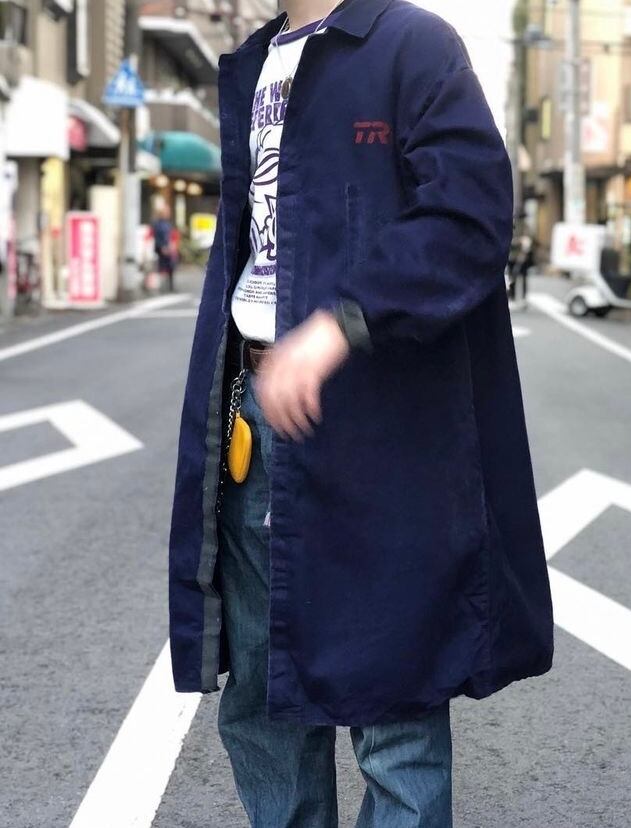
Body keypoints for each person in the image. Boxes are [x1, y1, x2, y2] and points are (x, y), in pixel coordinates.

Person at [167, 2, 554, 826]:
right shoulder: (253, 62)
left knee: (395, 702)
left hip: (383, 421)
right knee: (263, 697)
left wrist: (340, 323)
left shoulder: (410, 45)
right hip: (254, 413)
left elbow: (470, 216)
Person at [152, 204, 177, 293]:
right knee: (161, 267)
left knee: (171, 266)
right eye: (166, 212)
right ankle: (161, 287)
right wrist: (162, 247)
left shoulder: (167, 223)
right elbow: (157, 237)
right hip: (161, 248)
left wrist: (172, 245)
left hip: (168, 247)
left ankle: (170, 286)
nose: (168, 213)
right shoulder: (157, 224)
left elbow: (170, 236)